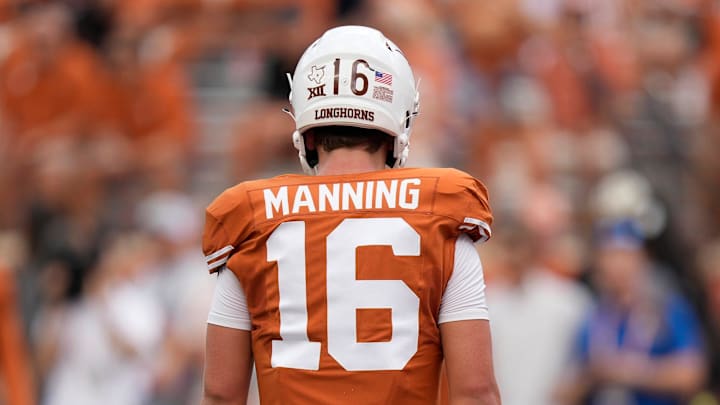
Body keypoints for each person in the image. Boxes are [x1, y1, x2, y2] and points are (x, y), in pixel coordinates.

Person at [201, 26, 501, 405]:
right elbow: (475, 392)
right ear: (399, 119)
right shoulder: (440, 213)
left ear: (306, 126)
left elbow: (220, 394)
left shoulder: (251, 221)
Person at [556, 221, 706, 405]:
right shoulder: (592, 318)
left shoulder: (666, 309)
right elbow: (564, 392)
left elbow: (691, 374)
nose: (618, 266)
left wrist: (629, 372)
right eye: (610, 256)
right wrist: (592, 376)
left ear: (642, 258)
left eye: (625, 256)